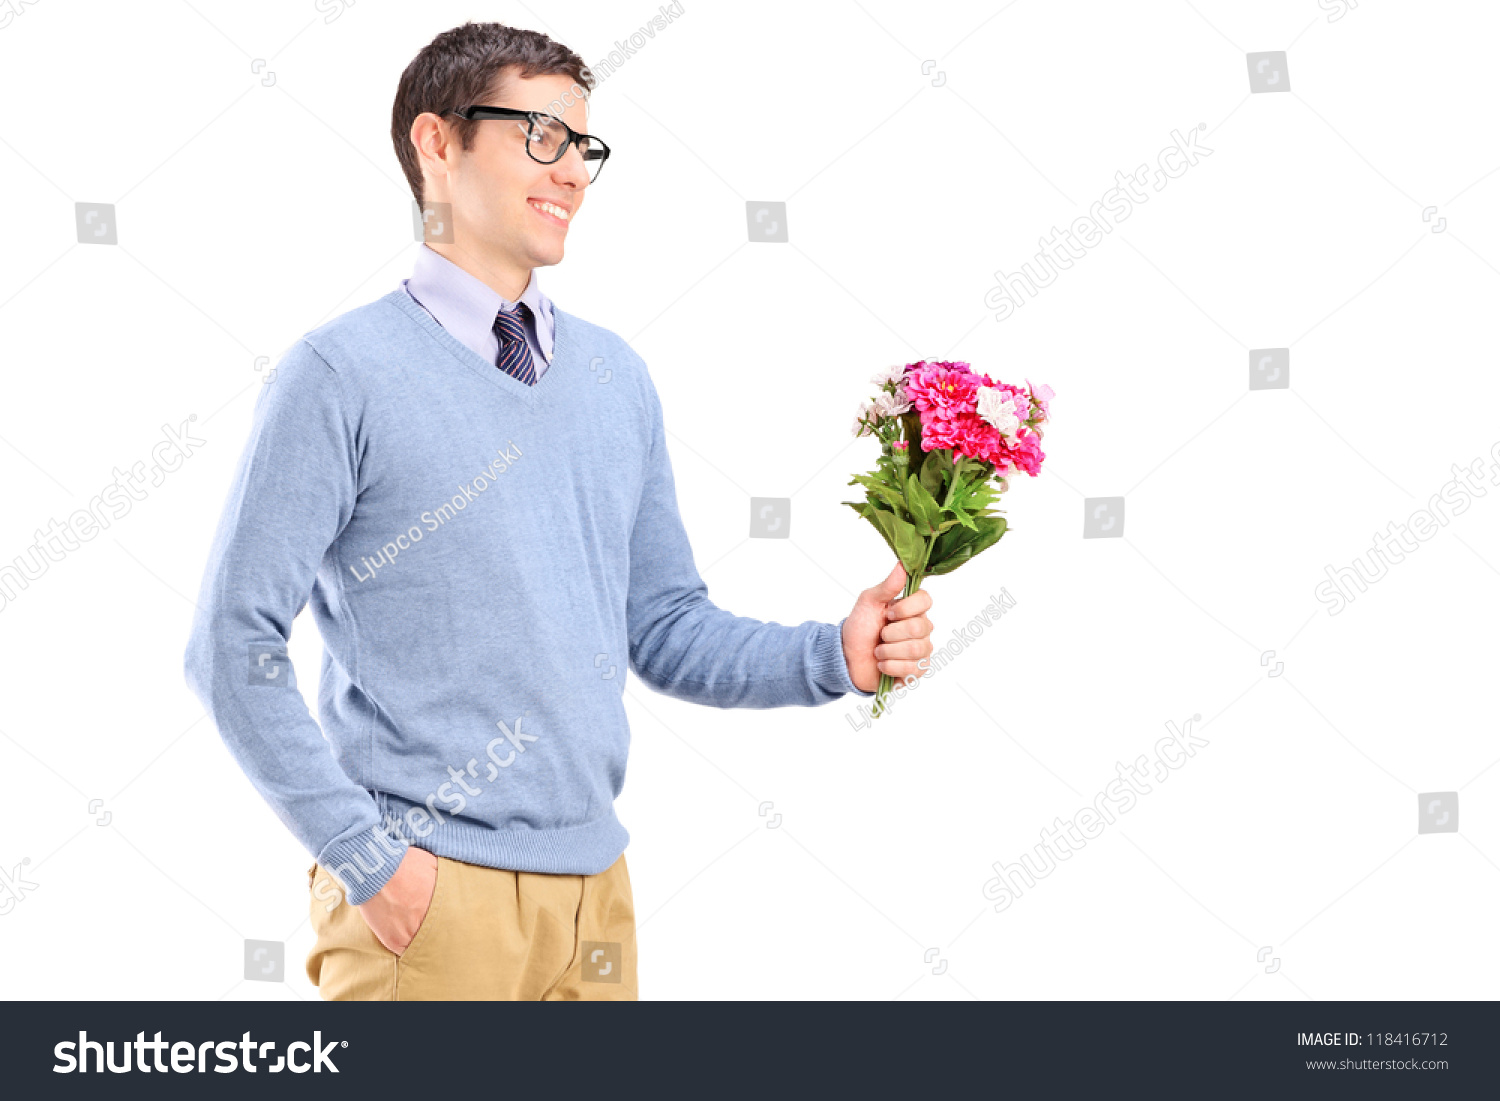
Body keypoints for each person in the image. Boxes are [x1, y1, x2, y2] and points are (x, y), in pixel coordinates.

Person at [183, 21, 936, 1001]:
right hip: (426, 903)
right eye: (540, 135)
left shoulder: (615, 379)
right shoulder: (340, 375)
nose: (573, 171)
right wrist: (369, 862)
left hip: (597, 897)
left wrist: (835, 655)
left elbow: (662, 628)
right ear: (437, 145)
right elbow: (228, 645)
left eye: (584, 146)